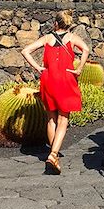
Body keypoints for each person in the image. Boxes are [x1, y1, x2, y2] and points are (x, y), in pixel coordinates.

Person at [21, 10, 90, 174]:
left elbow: (25, 51)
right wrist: (79, 68)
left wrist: (38, 67)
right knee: (63, 119)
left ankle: (54, 154)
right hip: (66, 79)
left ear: (55, 23)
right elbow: (86, 49)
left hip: (48, 79)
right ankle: (53, 154)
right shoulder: (72, 38)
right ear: (68, 25)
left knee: (51, 118)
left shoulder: (47, 38)